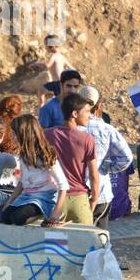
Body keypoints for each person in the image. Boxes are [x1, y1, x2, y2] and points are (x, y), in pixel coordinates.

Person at [75, 85, 132, 229]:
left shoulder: (69, 129)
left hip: (73, 195)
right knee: (99, 240)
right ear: (99, 106)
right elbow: (126, 157)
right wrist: (105, 167)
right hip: (101, 193)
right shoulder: (107, 129)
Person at [44, 93, 100, 225]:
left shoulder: (46, 135)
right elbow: (93, 175)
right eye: (86, 111)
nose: (90, 115)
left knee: (55, 243)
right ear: (75, 114)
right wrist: (94, 199)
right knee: (85, 242)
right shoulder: (87, 139)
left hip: (54, 198)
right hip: (79, 198)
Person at [3, 115, 68, 226]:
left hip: (43, 197)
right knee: (5, 217)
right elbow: (22, 182)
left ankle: (44, 213)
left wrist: (57, 211)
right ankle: (38, 213)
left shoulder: (45, 155)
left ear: (24, 135)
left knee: (18, 218)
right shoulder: (24, 156)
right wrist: (10, 201)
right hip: (27, 196)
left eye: (15, 134)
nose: (12, 136)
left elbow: (63, 185)